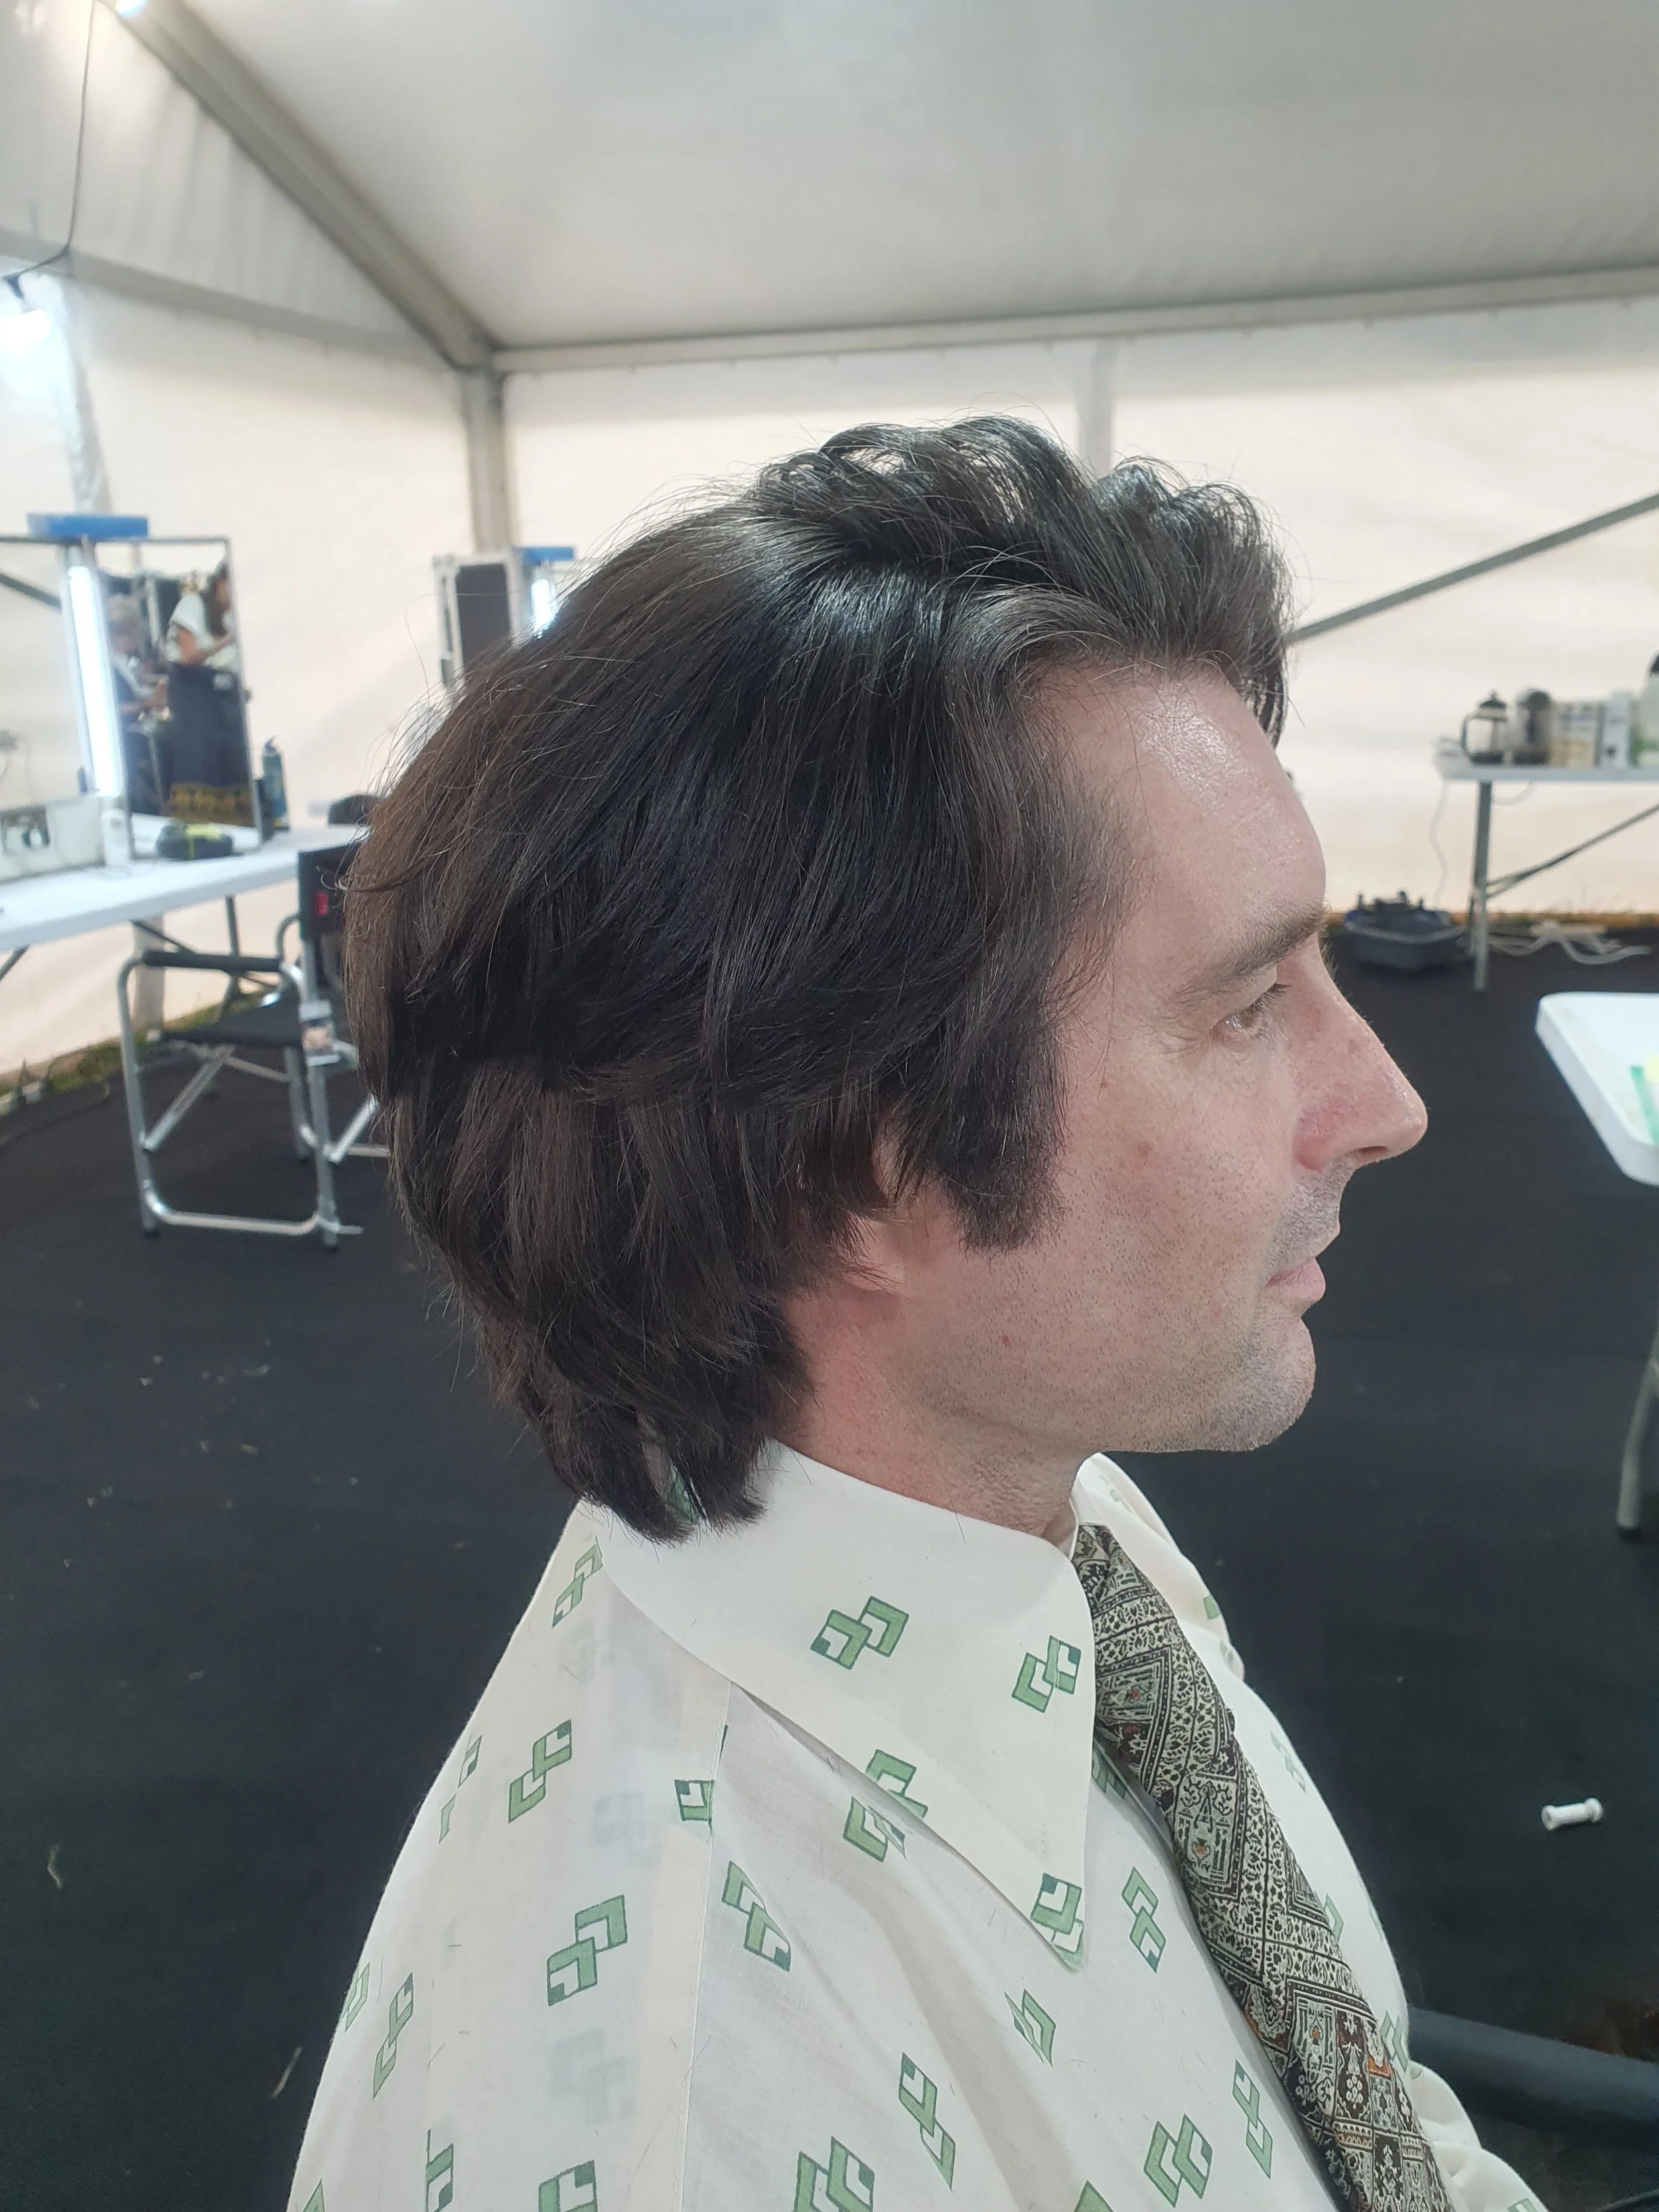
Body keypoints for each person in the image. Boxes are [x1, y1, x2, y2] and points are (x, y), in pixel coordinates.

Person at [292, 420, 1542, 2212]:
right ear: (859, 1175)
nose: (1385, 1100)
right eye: (1245, 1001)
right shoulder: (689, 2121)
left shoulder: (1023, 1497)